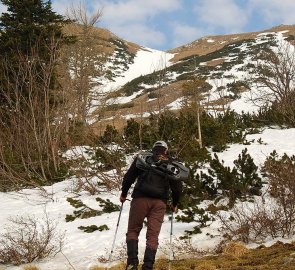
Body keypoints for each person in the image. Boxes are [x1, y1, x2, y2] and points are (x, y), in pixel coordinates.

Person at [120, 141, 183, 270]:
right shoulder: (171, 164)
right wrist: (175, 204)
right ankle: (148, 266)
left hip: (140, 199)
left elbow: (128, 177)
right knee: (152, 235)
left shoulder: (144, 159)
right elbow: (177, 188)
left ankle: (132, 264)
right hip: (159, 203)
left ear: (153, 149)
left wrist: (124, 194)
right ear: (166, 150)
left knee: (133, 230)